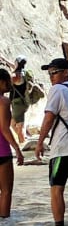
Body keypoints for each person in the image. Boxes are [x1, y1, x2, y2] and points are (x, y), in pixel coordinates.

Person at [34, 57, 68, 226]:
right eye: (49, 73)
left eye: (54, 72)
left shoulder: (58, 89)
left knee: (56, 188)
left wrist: (40, 142)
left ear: (66, 72)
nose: (51, 76)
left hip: (62, 148)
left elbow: (49, 117)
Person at [0, 68, 24, 218]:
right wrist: (17, 149)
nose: (10, 84)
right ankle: (4, 223)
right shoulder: (3, 101)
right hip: (1, 151)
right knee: (6, 191)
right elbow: (3, 128)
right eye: (7, 81)